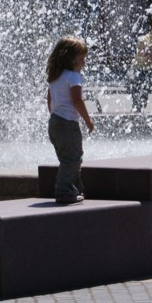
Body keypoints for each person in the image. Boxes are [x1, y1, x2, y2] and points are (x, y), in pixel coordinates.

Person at [46, 36, 95, 205]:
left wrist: (55, 117)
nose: (84, 63)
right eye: (82, 59)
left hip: (54, 123)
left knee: (68, 158)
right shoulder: (74, 77)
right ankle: (63, 191)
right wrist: (88, 121)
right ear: (71, 58)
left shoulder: (55, 77)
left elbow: (49, 100)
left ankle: (74, 189)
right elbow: (77, 100)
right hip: (67, 125)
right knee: (73, 160)